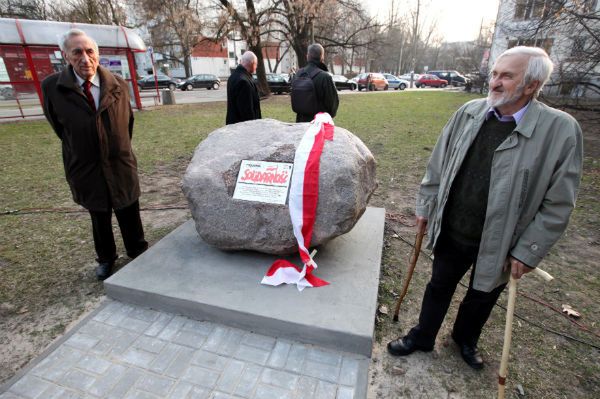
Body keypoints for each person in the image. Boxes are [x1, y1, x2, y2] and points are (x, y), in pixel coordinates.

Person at [387, 46, 583, 369]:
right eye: (494, 73)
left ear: (532, 85)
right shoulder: (468, 112)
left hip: (504, 240)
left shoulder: (559, 132)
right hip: (455, 227)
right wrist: (426, 205)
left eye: (507, 76)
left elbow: (558, 203)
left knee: (483, 295)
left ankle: (464, 339)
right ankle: (423, 335)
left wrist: (528, 250)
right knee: (438, 285)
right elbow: (437, 165)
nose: (495, 82)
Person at [42, 29, 148, 280]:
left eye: (90, 51)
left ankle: (137, 249)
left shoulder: (118, 85)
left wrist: (116, 147)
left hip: (119, 162)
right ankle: (106, 258)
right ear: (66, 55)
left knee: (128, 207)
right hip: (86, 165)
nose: (85, 58)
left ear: (97, 53)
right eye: (77, 52)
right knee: (99, 214)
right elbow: (60, 128)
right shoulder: (52, 88)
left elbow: (127, 124)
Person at [292, 43, 339, 122]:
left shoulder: (298, 74)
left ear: (307, 56)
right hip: (319, 124)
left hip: (300, 122)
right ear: (322, 57)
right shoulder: (325, 77)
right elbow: (332, 104)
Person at [226, 51, 261, 125]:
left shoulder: (232, 77)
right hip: (242, 129)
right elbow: (247, 112)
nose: (256, 67)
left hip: (232, 124)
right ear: (252, 63)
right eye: (256, 64)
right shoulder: (244, 82)